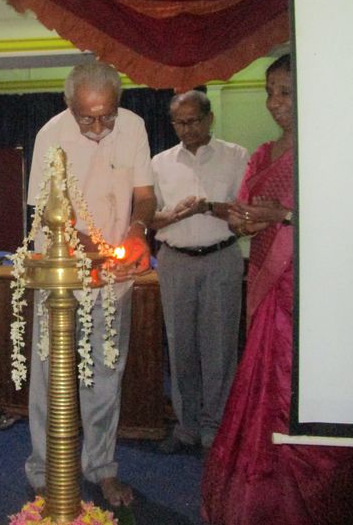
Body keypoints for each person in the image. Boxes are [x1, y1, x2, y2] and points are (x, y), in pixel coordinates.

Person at [200, 55, 353, 524]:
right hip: (268, 286)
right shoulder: (263, 155)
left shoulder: (328, 152)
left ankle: (304, 496)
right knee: (263, 389)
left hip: (312, 292)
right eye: (270, 92)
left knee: (299, 389)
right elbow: (246, 214)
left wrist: (283, 216)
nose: (275, 103)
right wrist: (241, 220)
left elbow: (346, 219)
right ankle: (262, 491)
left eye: (285, 92)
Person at [25, 61, 156, 507]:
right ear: (68, 104)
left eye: (107, 116)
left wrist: (137, 232)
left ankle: (100, 467)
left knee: (104, 377)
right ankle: (44, 470)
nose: (99, 128)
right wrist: (98, 251)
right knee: (50, 380)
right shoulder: (51, 135)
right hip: (62, 281)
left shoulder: (134, 127)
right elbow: (47, 214)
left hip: (114, 283)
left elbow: (144, 195)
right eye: (87, 118)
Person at [150, 90, 248, 455]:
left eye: (192, 121)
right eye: (178, 123)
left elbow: (244, 213)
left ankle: (215, 429)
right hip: (174, 260)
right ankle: (186, 427)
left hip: (220, 257)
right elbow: (149, 218)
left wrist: (207, 207)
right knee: (180, 346)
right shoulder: (159, 162)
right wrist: (174, 214)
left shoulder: (235, 156)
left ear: (209, 119)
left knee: (219, 347)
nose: (186, 129)